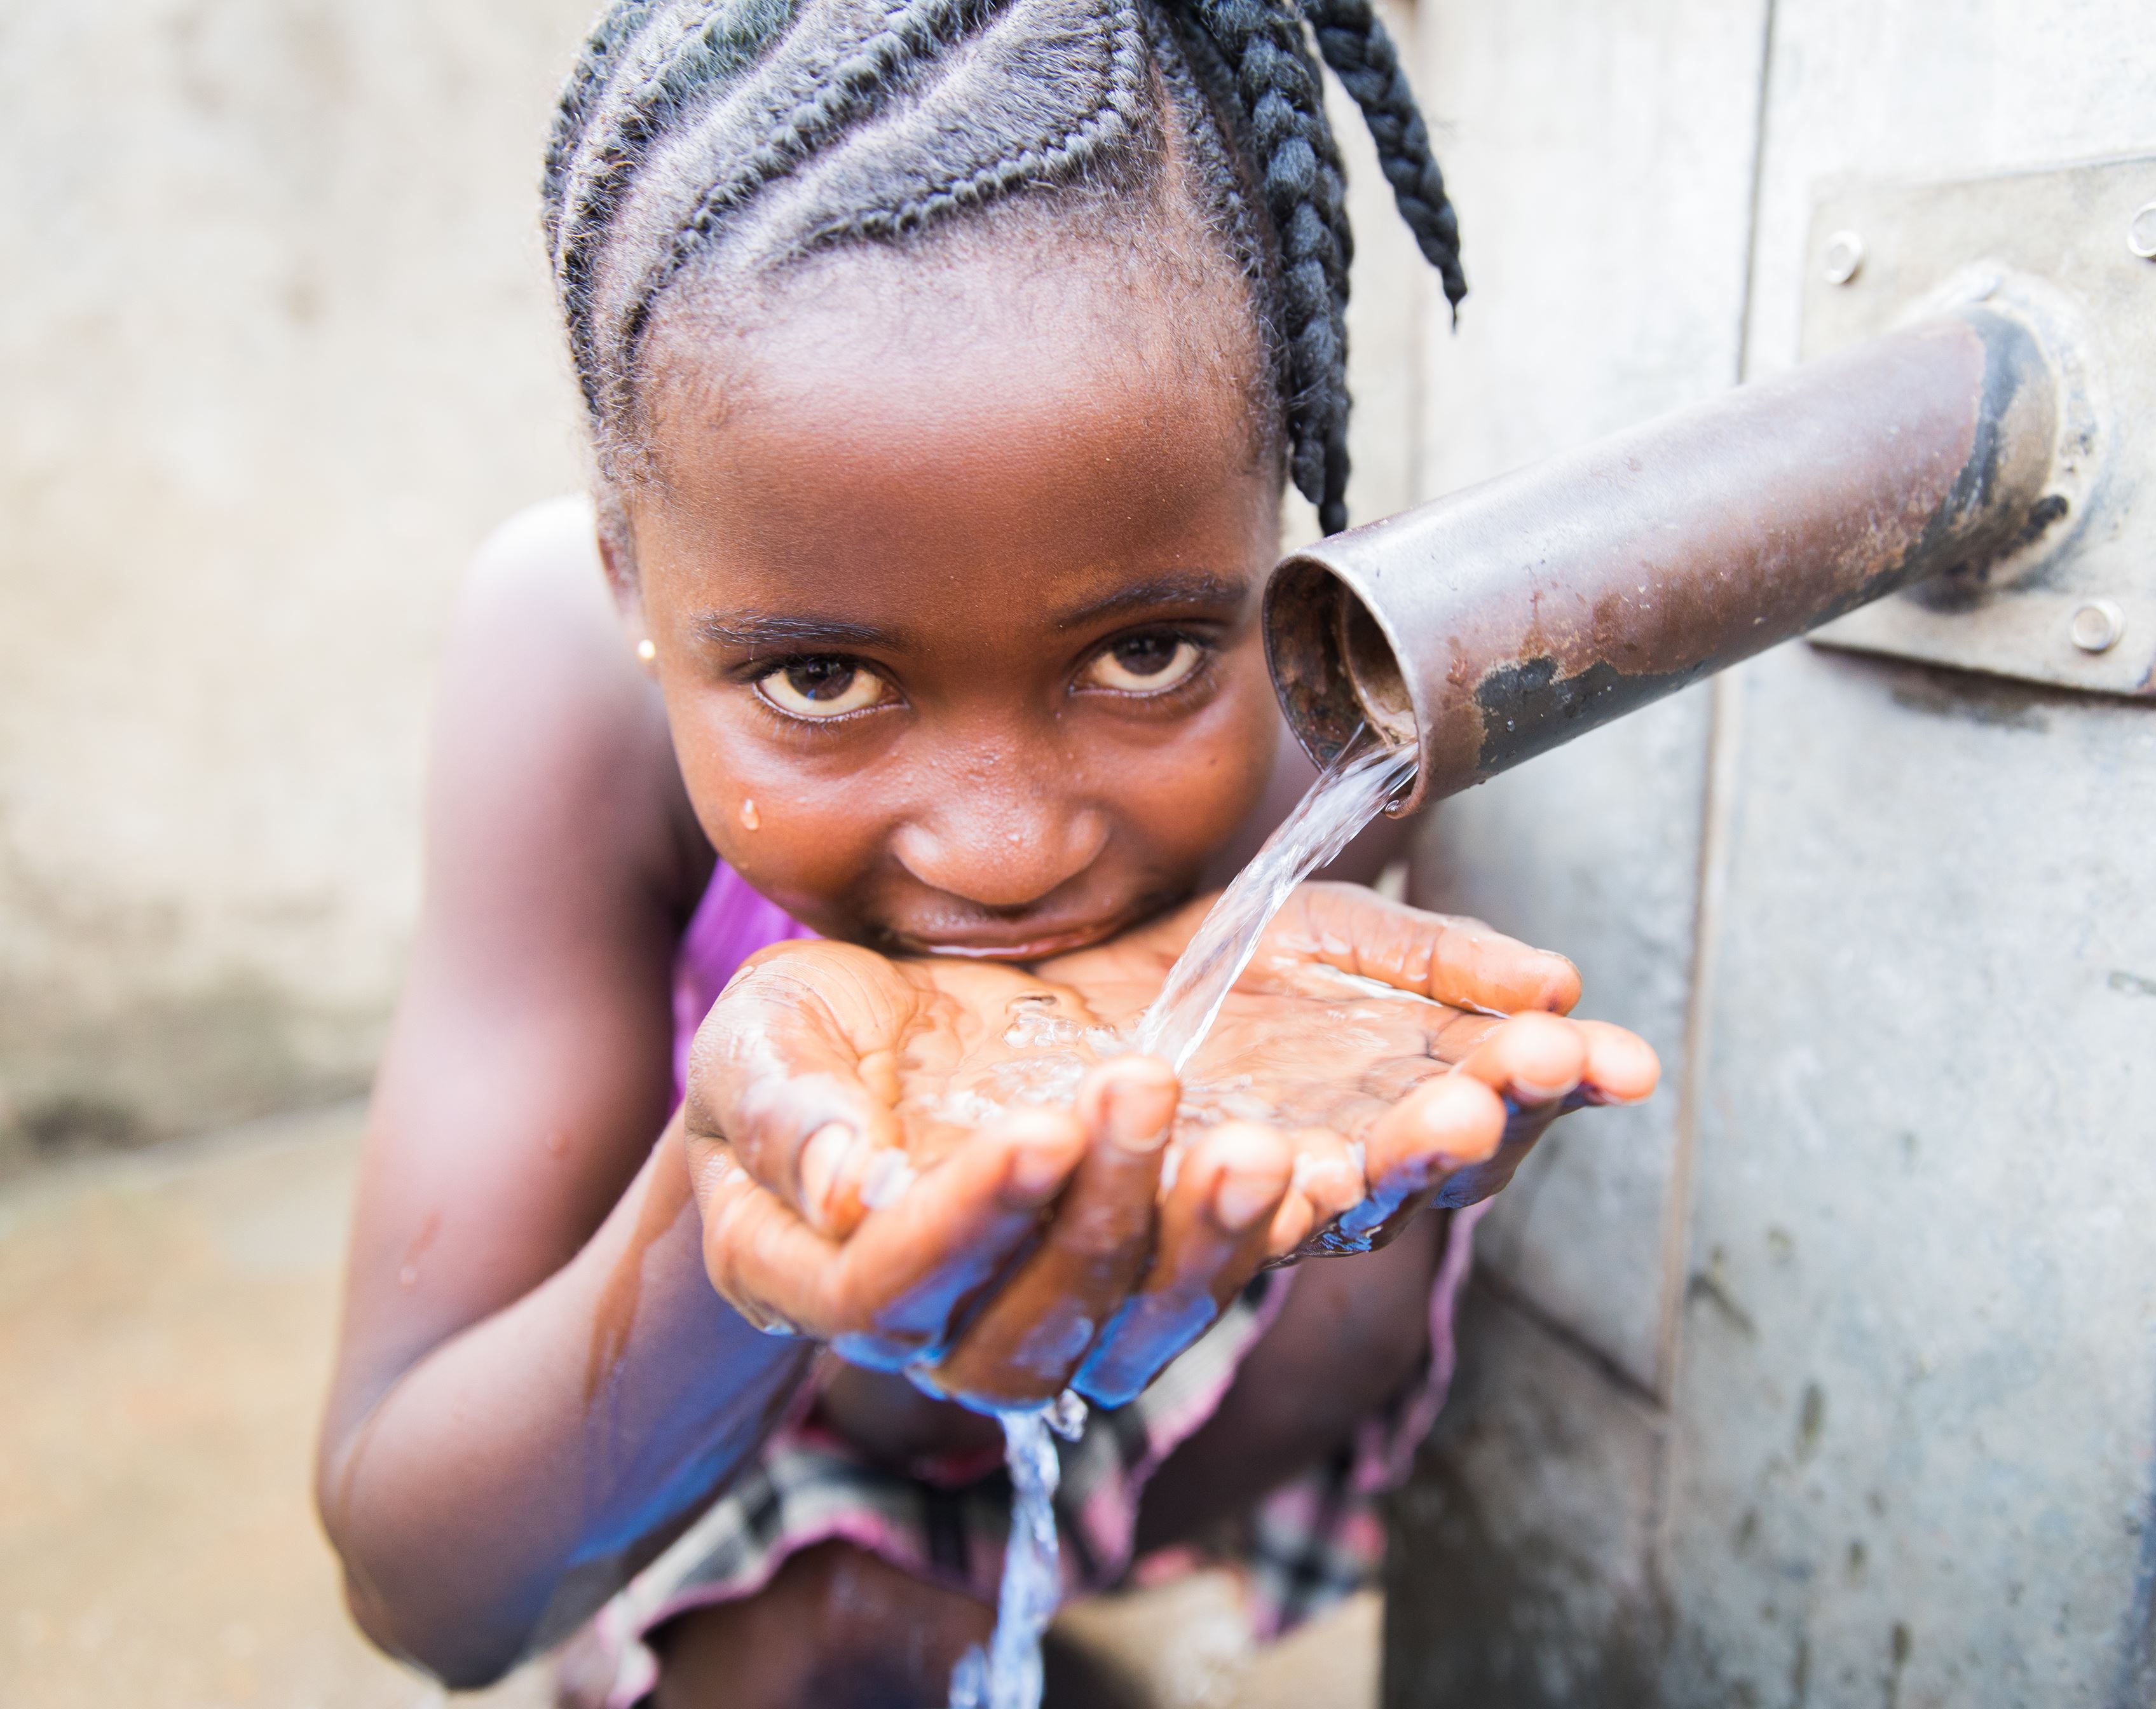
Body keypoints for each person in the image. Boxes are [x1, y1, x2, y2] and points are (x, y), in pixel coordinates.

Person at [316, 4, 1657, 1704]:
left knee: (1357, 1282)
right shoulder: (563, 678)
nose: (1008, 848)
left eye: (1147, 651)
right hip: (735, 1458)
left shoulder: (1350, 694)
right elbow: (422, 1580)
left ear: (1275, 510)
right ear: (629, 580)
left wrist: (1320, 1265)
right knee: (779, 1658)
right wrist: (736, 1212)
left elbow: (1356, 1349)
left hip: (1168, 1448)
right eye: (821, 680)